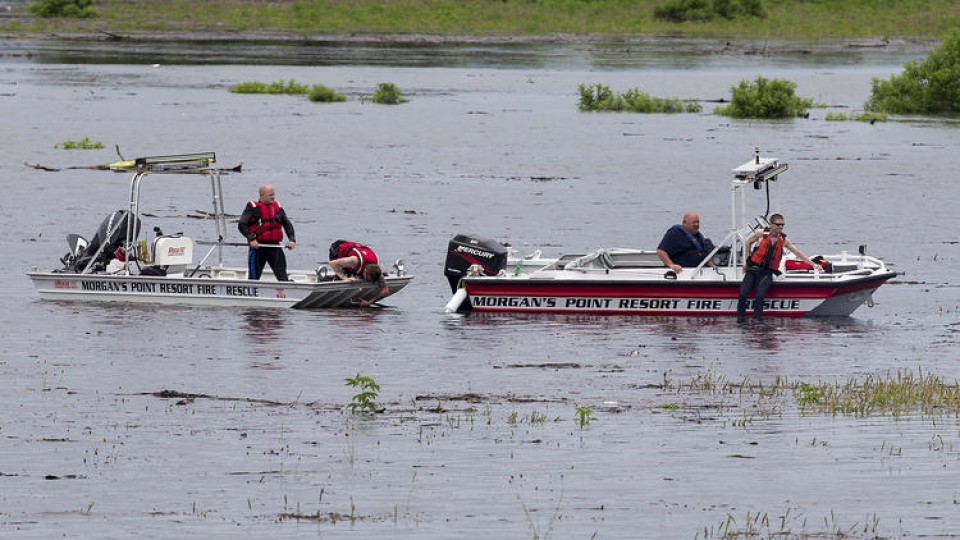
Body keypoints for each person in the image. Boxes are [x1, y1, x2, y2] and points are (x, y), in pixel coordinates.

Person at [736, 213, 821, 323]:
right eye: (778, 225)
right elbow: (748, 242)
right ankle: (740, 320)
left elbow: (798, 253)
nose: (781, 227)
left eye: (783, 225)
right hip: (753, 269)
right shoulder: (761, 234)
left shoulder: (784, 240)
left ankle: (757, 321)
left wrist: (813, 264)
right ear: (771, 225)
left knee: (760, 295)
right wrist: (746, 261)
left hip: (767, 272)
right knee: (743, 293)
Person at [237, 183, 296, 281]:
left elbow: (287, 224)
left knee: (282, 274)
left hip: (275, 247)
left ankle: (285, 291)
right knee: (254, 276)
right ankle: (253, 293)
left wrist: (292, 239)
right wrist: (251, 238)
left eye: (274, 194)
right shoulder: (253, 208)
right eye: (270, 195)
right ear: (262, 196)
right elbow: (242, 225)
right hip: (258, 247)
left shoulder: (278, 208)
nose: (273, 197)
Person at [328, 240, 390, 307]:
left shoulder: (377, 271)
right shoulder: (354, 261)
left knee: (354, 275)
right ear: (365, 271)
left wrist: (369, 302)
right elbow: (332, 263)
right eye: (367, 279)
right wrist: (345, 278)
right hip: (337, 249)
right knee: (344, 273)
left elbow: (385, 291)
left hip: (357, 250)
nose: (368, 282)